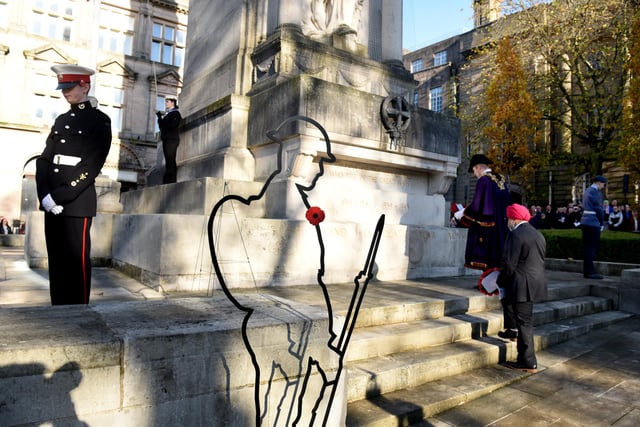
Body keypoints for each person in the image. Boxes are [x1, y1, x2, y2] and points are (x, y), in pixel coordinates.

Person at [35, 64, 112, 305]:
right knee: (56, 261)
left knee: (75, 263)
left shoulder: (99, 120)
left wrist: (59, 196)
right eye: (63, 87)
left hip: (76, 202)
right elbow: (44, 160)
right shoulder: (61, 120)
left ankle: (78, 312)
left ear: (85, 86)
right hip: (52, 203)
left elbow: (91, 166)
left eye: (69, 87)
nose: (64, 92)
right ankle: (58, 310)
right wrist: (44, 195)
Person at [498, 203, 548, 373]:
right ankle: (522, 354)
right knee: (522, 320)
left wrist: (500, 280)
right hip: (534, 284)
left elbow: (510, 264)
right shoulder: (537, 234)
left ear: (514, 218)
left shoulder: (516, 235)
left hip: (521, 285)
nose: (507, 222)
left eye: (508, 218)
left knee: (524, 323)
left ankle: (528, 360)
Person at [454, 154, 512, 271]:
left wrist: (462, 214)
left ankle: (487, 282)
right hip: (502, 224)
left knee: (487, 257)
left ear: (478, 167)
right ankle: (494, 282)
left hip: (488, 226)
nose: (474, 174)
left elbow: (477, 205)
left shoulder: (484, 180)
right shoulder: (500, 178)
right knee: (498, 255)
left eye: (474, 170)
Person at [580, 175, 607, 279]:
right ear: (599, 183)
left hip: (585, 221)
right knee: (592, 248)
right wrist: (601, 222)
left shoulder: (587, 190)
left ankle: (587, 271)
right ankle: (590, 272)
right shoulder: (596, 192)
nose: (603, 186)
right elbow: (599, 209)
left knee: (587, 247)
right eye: (603, 184)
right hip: (593, 222)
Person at [156, 96, 182, 184]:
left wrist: (163, 121)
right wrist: (159, 118)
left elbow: (173, 126)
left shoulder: (175, 113)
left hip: (172, 139)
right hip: (166, 139)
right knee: (168, 159)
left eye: (167, 101)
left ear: (173, 102)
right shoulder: (168, 114)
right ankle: (168, 179)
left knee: (171, 159)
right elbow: (162, 127)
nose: (166, 103)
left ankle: (171, 179)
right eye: (166, 101)